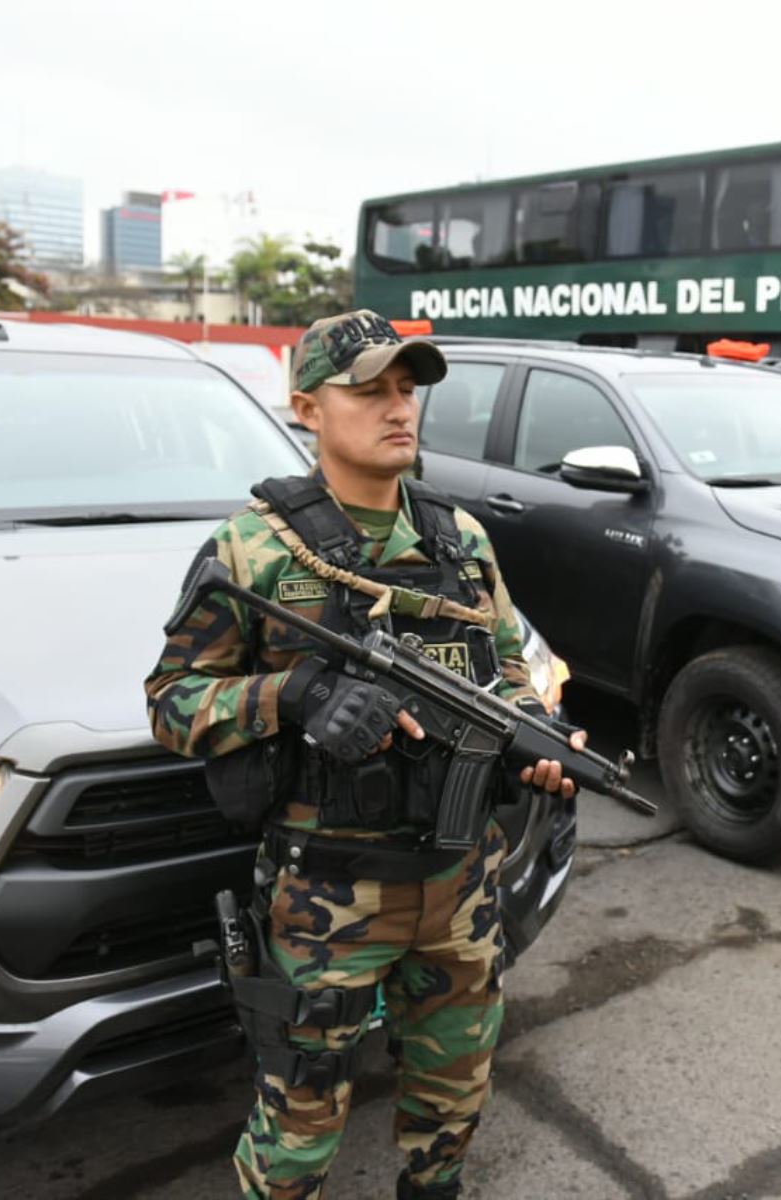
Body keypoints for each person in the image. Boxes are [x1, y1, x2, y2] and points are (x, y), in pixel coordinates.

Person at [145, 309, 585, 1200]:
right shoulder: (256, 549)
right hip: (326, 899)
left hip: (462, 885)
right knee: (299, 1130)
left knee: (453, 1098)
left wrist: (535, 734)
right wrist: (293, 695)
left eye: (408, 389)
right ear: (307, 407)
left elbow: (508, 668)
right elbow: (171, 702)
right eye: (370, 390)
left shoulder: (460, 539)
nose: (399, 408)